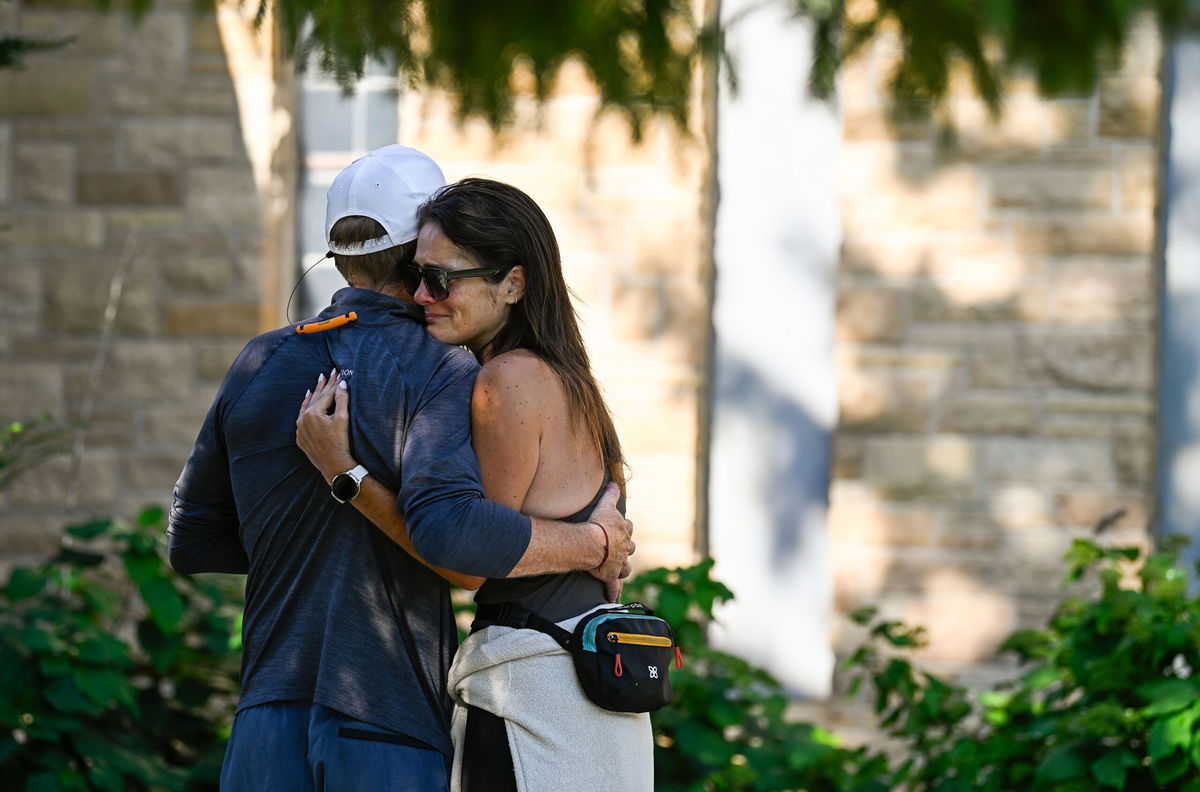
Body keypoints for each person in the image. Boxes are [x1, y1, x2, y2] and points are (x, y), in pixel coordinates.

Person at [167, 146, 633, 792]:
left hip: (264, 717)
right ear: (420, 244)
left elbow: (190, 539)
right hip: (387, 720)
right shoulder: (443, 368)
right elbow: (462, 543)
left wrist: (297, 536)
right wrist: (593, 541)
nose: (428, 293)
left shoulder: (258, 363)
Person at [295, 177, 653, 792]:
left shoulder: (505, 380)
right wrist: (595, 544)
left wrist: (345, 475)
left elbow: (467, 557)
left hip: (537, 692)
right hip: (583, 684)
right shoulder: (562, 377)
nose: (418, 294)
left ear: (512, 284)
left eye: (441, 279)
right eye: (415, 274)